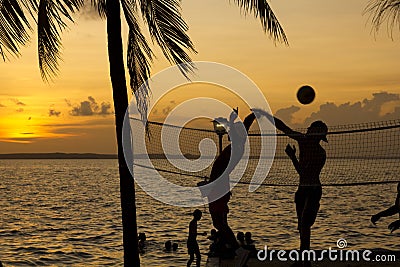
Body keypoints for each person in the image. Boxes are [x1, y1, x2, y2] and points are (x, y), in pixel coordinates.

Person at [253, 109, 327, 256]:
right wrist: (267, 116)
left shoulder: (319, 153)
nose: (308, 131)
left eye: (312, 130)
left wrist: (292, 157)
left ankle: (304, 260)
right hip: (302, 188)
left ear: (317, 134)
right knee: (301, 226)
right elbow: (284, 128)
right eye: (309, 129)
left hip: (313, 190)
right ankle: (303, 259)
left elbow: (303, 173)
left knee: (305, 225)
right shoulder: (302, 140)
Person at [208, 109, 257, 251]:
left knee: (219, 223)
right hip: (218, 186)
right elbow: (243, 128)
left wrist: (231, 120)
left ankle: (235, 248)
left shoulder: (237, 147)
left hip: (218, 187)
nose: (229, 133)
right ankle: (229, 246)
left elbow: (242, 130)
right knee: (220, 222)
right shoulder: (236, 147)